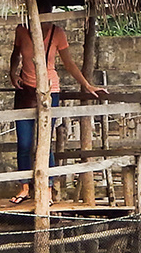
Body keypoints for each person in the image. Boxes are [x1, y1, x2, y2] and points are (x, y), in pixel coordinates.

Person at [7, 20, 105, 204]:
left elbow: (68, 63)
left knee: (44, 142)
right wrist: (13, 72)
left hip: (50, 90)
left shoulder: (57, 33)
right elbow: (16, 54)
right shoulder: (21, 29)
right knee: (24, 143)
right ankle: (24, 188)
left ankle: (48, 189)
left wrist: (87, 85)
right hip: (25, 89)